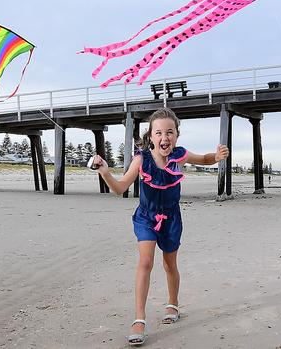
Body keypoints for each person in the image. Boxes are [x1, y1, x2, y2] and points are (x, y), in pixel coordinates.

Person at [90, 108, 229, 346]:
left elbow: (203, 160)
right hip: (146, 217)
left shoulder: (180, 156)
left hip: (172, 218)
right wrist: (104, 171)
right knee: (145, 262)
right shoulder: (141, 159)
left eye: (169, 132)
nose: (164, 138)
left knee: (169, 264)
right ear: (151, 136)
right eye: (159, 133)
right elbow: (120, 188)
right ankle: (139, 319)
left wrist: (216, 157)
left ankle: (172, 303)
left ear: (176, 135)